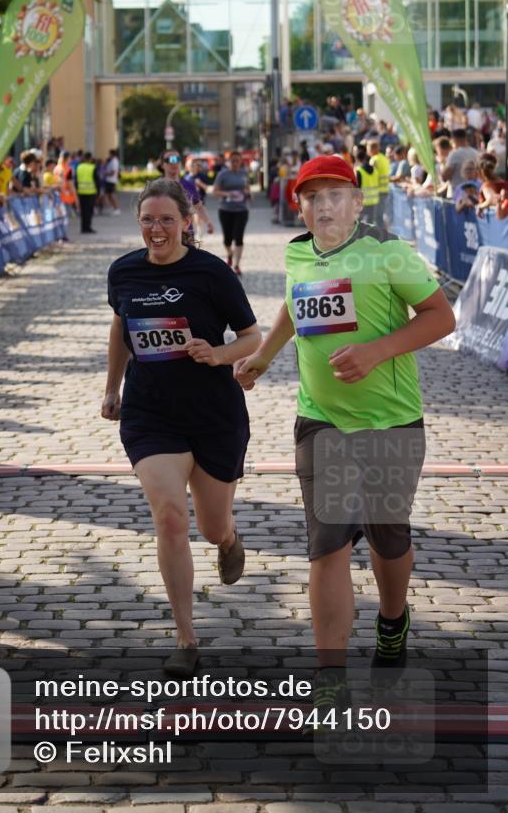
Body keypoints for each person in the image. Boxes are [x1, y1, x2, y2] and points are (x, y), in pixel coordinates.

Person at [235, 155, 455, 704]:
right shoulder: (296, 253)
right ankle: (330, 679)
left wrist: (378, 352)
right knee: (327, 543)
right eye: (312, 196)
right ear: (300, 206)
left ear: (358, 202)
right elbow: (293, 306)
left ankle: (392, 617)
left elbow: (440, 316)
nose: (324, 204)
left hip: (391, 422)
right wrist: (264, 356)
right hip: (321, 421)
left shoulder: (386, 252)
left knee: (388, 535)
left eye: (336, 194)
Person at [102, 178, 261, 676]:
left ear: (186, 222)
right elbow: (120, 329)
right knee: (170, 516)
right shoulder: (123, 272)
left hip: (214, 415)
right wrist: (112, 389)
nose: (156, 228)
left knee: (211, 526)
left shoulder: (211, 273)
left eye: (166, 219)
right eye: (148, 219)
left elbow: (252, 337)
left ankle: (230, 537)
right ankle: (186, 637)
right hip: (152, 415)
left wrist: (217, 355)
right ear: (138, 222)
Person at [213, 151, 252, 274]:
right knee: (227, 238)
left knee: (239, 237)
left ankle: (236, 265)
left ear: (241, 161)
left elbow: (247, 188)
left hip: (241, 209)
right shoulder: (222, 175)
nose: (235, 163)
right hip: (225, 209)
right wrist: (227, 194)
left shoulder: (244, 174)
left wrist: (247, 193)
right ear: (229, 161)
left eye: (237, 160)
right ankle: (229, 253)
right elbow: (215, 192)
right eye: (233, 160)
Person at [159, 150, 214, 237]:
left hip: (186, 234)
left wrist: (208, 222)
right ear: (162, 165)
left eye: (177, 159)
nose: (174, 163)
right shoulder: (155, 187)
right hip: (164, 234)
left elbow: (198, 206)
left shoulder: (189, 184)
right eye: (170, 160)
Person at [75, 151, 99, 233]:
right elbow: (97, 181)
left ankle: (83, 228)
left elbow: (76, 180)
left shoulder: (78, 167)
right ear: (90, 158)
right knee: (89, 211)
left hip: (81, 192)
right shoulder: (92, 167)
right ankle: (88, 227)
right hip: (90, 193)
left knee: (83, 211)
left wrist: (76, 191)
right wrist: (98, 193)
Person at [368, 139, 390, 227]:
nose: (367, 151)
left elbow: (372, 176)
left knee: (377, 217)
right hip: (385, 190)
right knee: (380, 215)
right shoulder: (384, 158)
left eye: (368, 148)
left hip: (378, 191)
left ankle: (383, 238)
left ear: (372, 149)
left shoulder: (374, 160)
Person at [104, 149, 121, 215]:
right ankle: (113, 208)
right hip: (110, 180)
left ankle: (116, 209)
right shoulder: (113, 161)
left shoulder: (114, 161)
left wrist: (106, 174)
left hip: (111, 180)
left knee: (111, 195)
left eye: (109, 154)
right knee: (109, 195)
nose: (109, 155)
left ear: (112, 154)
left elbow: (113, 171)